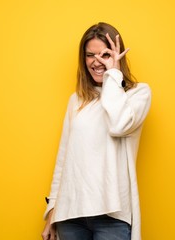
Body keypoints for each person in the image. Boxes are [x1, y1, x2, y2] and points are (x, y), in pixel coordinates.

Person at [41, 22, 151, 240]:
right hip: (70, 215)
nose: (96, 61)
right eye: (90, 55)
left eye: (105, 54)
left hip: (112, 215)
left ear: (118, 55)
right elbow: (64, 160)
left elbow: (118, 125)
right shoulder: (77, 100)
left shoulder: (138, 94)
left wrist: (113, 74)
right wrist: (52, 211)